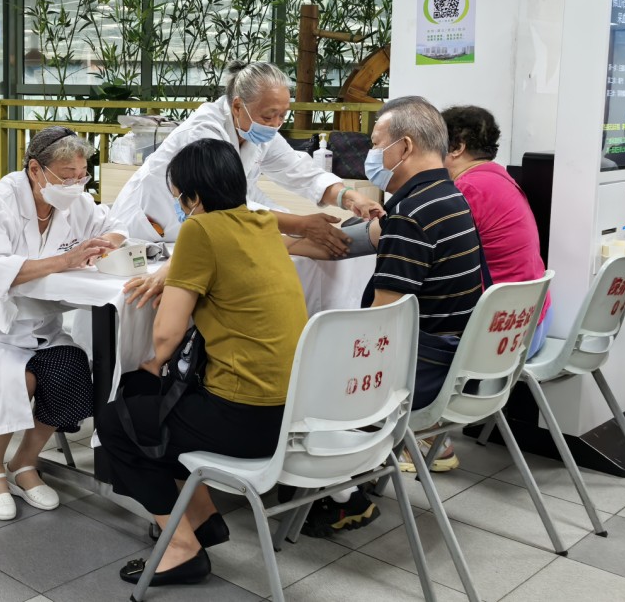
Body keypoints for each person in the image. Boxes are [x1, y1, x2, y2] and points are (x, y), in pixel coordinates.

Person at [99, 138, 308, 588]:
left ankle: (182, 550)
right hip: (290, 411)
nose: (178, 206)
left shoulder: (201, 230)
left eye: (178, 197)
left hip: (244, 418)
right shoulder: (261, 222)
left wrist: (154, 359)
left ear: (193, 196)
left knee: (118, 420)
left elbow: (166, 334)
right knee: (155, 404)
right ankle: (204, 518)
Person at [289, 96, 486, 535]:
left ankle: (342, 495)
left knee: (295, 361)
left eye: (377, 144)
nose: (371, 156)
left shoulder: (412, 216)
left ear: (405, 146)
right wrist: (280, 243)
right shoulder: (445, 196)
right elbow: (354, 240)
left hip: (420, 371)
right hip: (453, 360)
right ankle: (358, 475)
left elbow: (380, 330)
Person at [0, 127, 127, 521]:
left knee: (70, 373)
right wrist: (67, 261)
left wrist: (112, 241)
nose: (75, 183)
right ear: (36, 170)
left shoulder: (74, 202)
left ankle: (24, 462)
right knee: (15, 378)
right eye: (66, 174)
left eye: (82, 174)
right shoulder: (1, 201)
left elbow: (113, 222)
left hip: (39, 326)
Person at [111, 61, 383, 308]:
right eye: (269, 115)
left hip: (217, 221)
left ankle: (368, 235)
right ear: (238, 106)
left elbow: (298, 170)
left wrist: (348, 197)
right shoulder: (203, 133)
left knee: (310, 244)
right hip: (152, 224)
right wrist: (299, 225)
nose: (276, 124)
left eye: (283, 115)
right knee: (304, 242)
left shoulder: (257, 128)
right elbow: (224, 206)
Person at [442, 106, 553, 360]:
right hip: (533, 320)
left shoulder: (468, 188)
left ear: (457, 147)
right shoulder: (498, 177)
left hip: (505, 336)